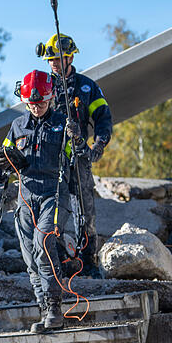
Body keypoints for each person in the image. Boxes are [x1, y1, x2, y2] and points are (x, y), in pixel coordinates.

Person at [0, 69, 78, 333]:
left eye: (40, 102)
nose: (36, 107)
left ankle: (55, 307)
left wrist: (75, 139)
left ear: (50, 98)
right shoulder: (17, 126)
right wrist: (2, 162)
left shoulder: (63, 124)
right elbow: (5, 153)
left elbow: (76, 156)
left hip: (54, 193)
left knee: (43, 242)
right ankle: (44, 310)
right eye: (31, 103)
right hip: (25, 196)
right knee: (30, 256)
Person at [39, 32, 113, 274]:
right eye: (50, 60)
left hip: (79, 158)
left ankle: (88, 262)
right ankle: (58, 260)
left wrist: (99, 144)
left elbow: (103, 118)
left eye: (58, 59)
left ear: (70, 58)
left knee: (85, 211)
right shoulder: (43, 85)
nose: (54, 64)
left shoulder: (86, 86)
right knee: (53, 212)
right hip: (51, 162)